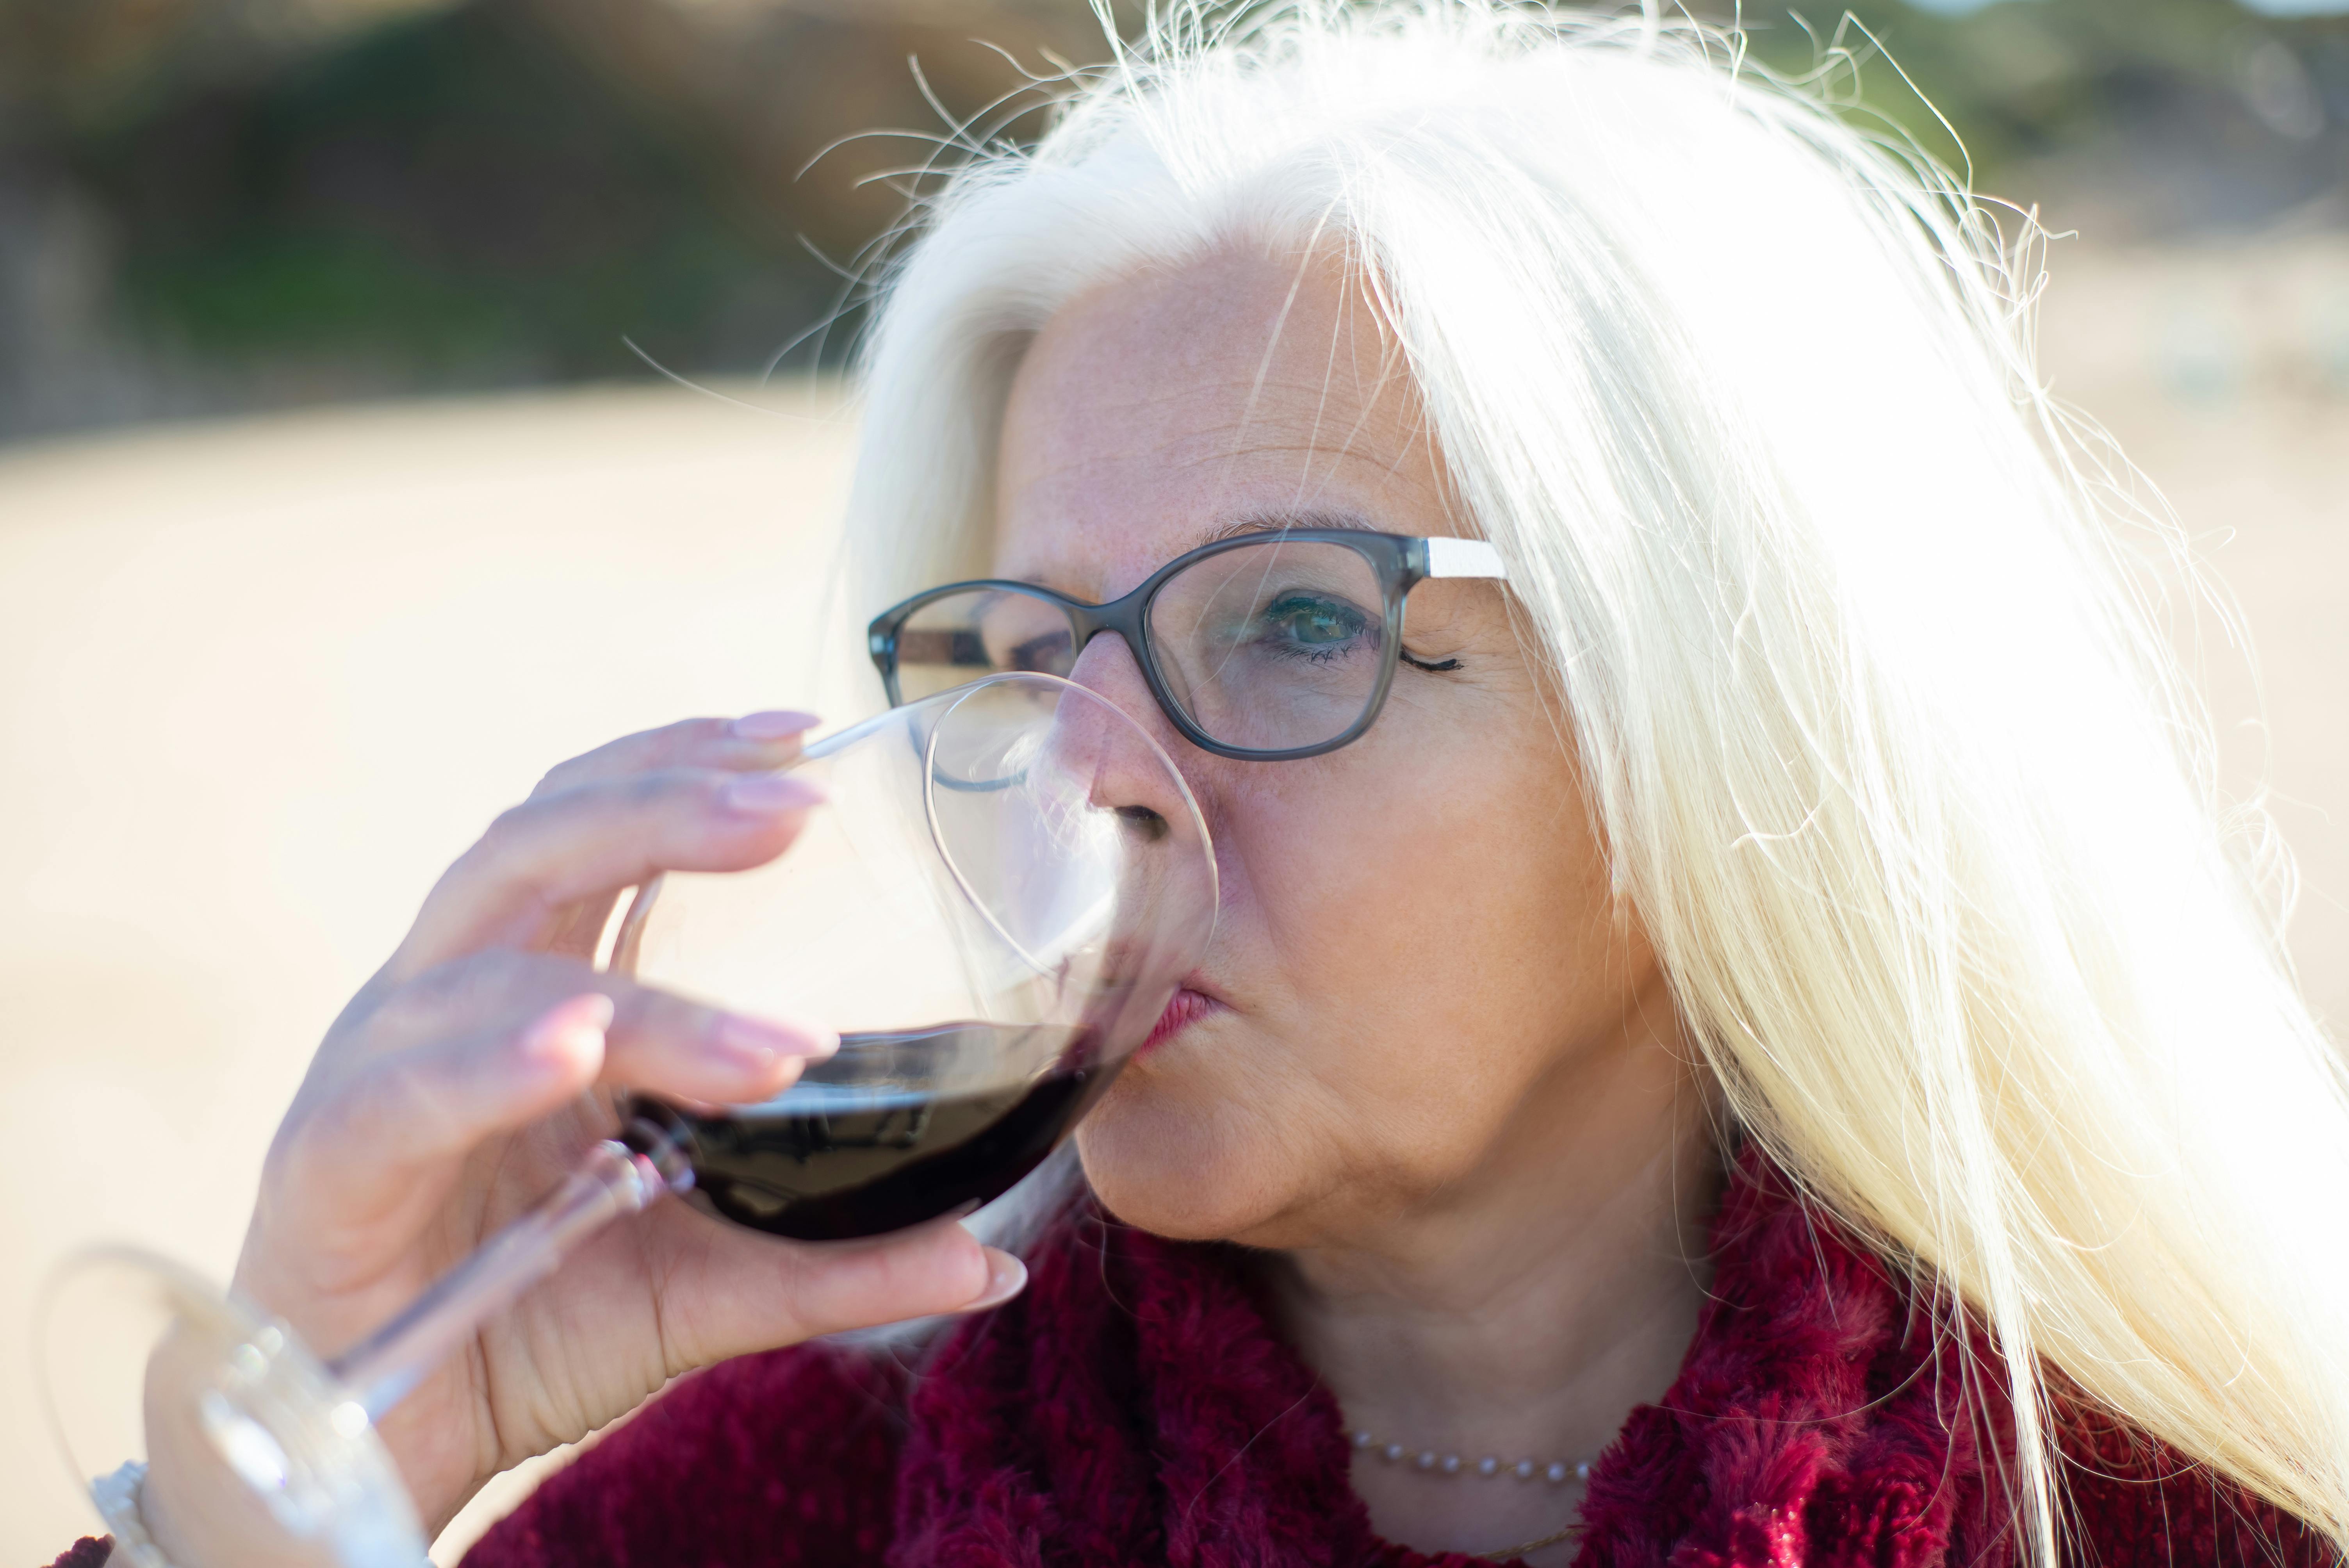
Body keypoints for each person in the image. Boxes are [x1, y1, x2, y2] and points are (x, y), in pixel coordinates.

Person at [52, 4, 2349, 1565]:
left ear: (1722, 724)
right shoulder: (794, 1502)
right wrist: (309, 1477)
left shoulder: (2170, 1512)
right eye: (1028, 657)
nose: (1102, 787)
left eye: (1299, 621)